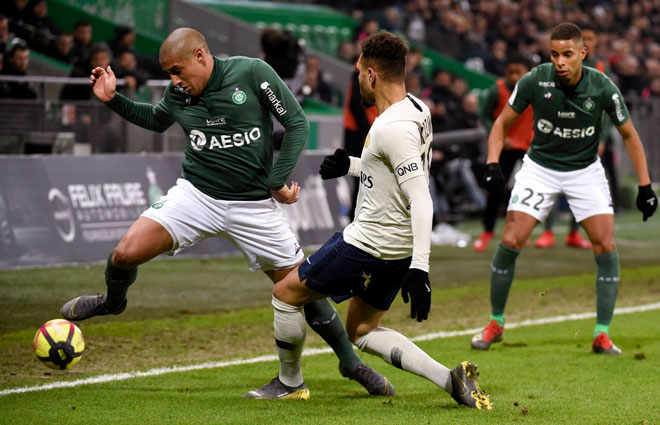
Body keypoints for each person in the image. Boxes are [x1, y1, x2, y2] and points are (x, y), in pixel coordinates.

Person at [59, 27, 393, 397]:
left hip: (252, 206)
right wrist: (112, 99)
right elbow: (156, 120)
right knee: (124, 254)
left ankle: (351, 363)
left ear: (201, 56)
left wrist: (276, 179)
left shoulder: (251, 73)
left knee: (303, 289)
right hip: (196, 196)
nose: (174, 80)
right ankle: (111, 301)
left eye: (177, 70)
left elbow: (297, 122)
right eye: (168, 72)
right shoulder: (179, 92)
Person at [245, 31, 492, 410]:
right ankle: (450, 379)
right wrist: (354, 166)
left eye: (359, 71)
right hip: (395, 249)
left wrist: (422, 269)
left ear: (372, 74)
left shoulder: (391, 128)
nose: (357, 78)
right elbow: (402, 173)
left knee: (285, 295)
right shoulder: (417, 109)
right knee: (360, 331)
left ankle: (289, 381)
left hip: (367, 245)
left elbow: (420, 197)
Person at [473, 23, 658, 355]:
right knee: (511, 238)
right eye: (555, 54)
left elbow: (629, 134)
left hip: (585, 171)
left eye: (567, 54)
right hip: (540, 168)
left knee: (604, 243)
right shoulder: (534, 80)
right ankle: (495, 322)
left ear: (582, 53)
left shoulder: (602, 87)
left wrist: (645, 186)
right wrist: (492, 163)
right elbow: (500, 123)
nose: (560, 61)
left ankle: (602, 334)